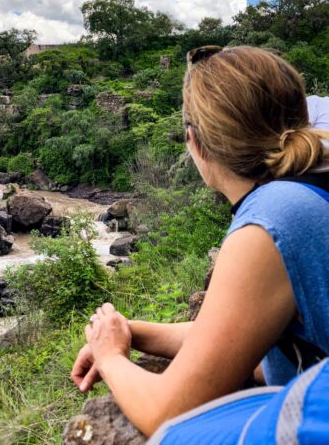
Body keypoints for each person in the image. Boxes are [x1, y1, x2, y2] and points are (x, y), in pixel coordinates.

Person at [69, 45, 329, 438]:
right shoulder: (309, 182)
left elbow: (166, 413)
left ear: (195, 143)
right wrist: (133, 332)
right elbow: (242, 332)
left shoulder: (270, 221)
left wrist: (110, 357)